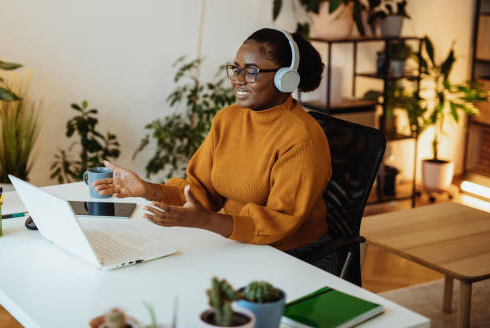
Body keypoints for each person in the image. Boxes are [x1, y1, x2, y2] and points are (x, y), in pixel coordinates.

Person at [93, 27, 337, 272]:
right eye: (236, 69)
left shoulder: (302, 139)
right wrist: (148, 189)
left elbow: (279, 225)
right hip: (241, 245)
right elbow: (199, 190)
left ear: (286, 78)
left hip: (297, 258)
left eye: (251, 71)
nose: (237, 79)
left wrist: (207, 221)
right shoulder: (228, 119)